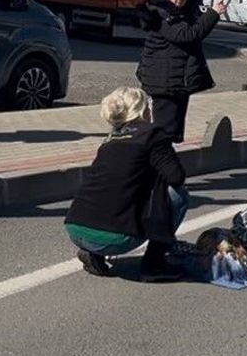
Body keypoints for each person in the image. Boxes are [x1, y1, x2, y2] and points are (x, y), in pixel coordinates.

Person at [64, 86, 189, 281]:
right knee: (177, 194)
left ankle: (93, 253)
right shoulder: (153, 134)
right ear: (141, 109)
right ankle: (154, 265)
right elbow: (176, 177)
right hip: (114, 239)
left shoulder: (109, 140)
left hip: (76, 229)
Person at [136, 0, 226, 143]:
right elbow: (187, 35)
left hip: (175, 83)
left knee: (172, 134)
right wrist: (213, 13)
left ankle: (163, 158)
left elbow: (192, 22)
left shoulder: (179, 12)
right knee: (163, 134)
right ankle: (158, 160)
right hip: (164, 83)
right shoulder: (160, 13)